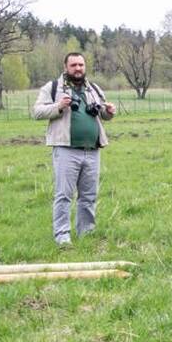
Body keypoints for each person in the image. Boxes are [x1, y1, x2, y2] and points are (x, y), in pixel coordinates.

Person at [32, 52, 117, 248]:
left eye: (81, 64)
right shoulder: (52, 87)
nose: (78, 68)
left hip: (93, 149)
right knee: (64, 195)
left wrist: (109, 112)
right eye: (73, 65)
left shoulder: (93, 88)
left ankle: (86, 233)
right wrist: (58, 106)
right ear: (65, 67)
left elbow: (102, 113)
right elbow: (37, 112)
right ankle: (62, 236)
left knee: (89, 195)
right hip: (66, 149)